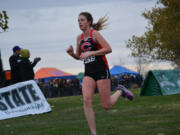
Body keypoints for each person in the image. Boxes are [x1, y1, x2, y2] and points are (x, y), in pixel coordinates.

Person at [66, 12, 134, 135]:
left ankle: (120, 90)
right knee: (86, 100)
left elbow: (108, 49)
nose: (80, 22)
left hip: (101, 70)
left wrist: (91, 53)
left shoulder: (95, 34)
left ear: (89, 22)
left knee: (106, 105)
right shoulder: (79, 38)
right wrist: (71, 54)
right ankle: (93, 133)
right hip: (89, 72)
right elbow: (79, 56)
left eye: (82, 20)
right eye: (78, 20)